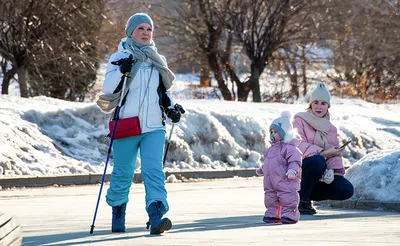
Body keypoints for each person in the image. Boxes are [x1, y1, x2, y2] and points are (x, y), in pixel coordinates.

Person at [101, 13, 182, 234]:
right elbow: (108, 90)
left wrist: (172, 108)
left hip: (154, 126)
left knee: (153, 170)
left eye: (149, 29)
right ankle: (118, 216)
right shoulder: (119, 57)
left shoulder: (157, 59)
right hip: (126, 124)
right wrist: (121, 70)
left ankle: (156, 217)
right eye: (141, 29)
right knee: (123, 172)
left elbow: (163, 92)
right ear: (130, 31)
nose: (145, 33)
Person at [293, 83, 354, 215]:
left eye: (323, 103)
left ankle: (308, 194)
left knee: (346, 189)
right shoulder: (300, 120)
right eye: (316, 103)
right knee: (317, 161)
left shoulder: (331, 128)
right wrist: (323, 153)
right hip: (298, 171)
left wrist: (332, 174)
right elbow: (297, 145)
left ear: (328, 106)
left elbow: (335, 157)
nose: (319, 107)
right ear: (310, 104)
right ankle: (300, 199)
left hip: (319, 174)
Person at [256, 111, 302, 224]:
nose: (272, 134)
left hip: (285, 180)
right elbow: (268, 162)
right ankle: (272, 213)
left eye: (275, 132)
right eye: (271, 131)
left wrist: (293, 170)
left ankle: (289, 213)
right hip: (270, 182)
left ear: (284, 133)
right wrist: (262, 169)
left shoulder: (289, 148)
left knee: (287, 197)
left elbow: (295, 160)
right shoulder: (270, 149)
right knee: (270, 197)